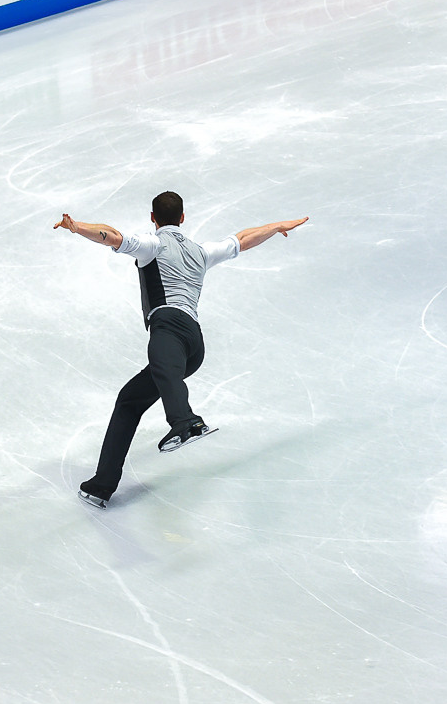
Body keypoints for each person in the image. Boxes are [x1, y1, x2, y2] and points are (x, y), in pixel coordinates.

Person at [53, 191, 308, 508]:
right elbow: (242, 239)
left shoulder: (152, 245)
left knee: (162, 371)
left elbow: (112, 236)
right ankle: (101, 486)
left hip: (168, 329)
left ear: (152, 217)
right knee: (130, 400)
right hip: (194, 344)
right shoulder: (202, 251)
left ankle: (186, 422)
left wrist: (77, 227)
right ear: (183, 218)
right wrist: (274, 226)